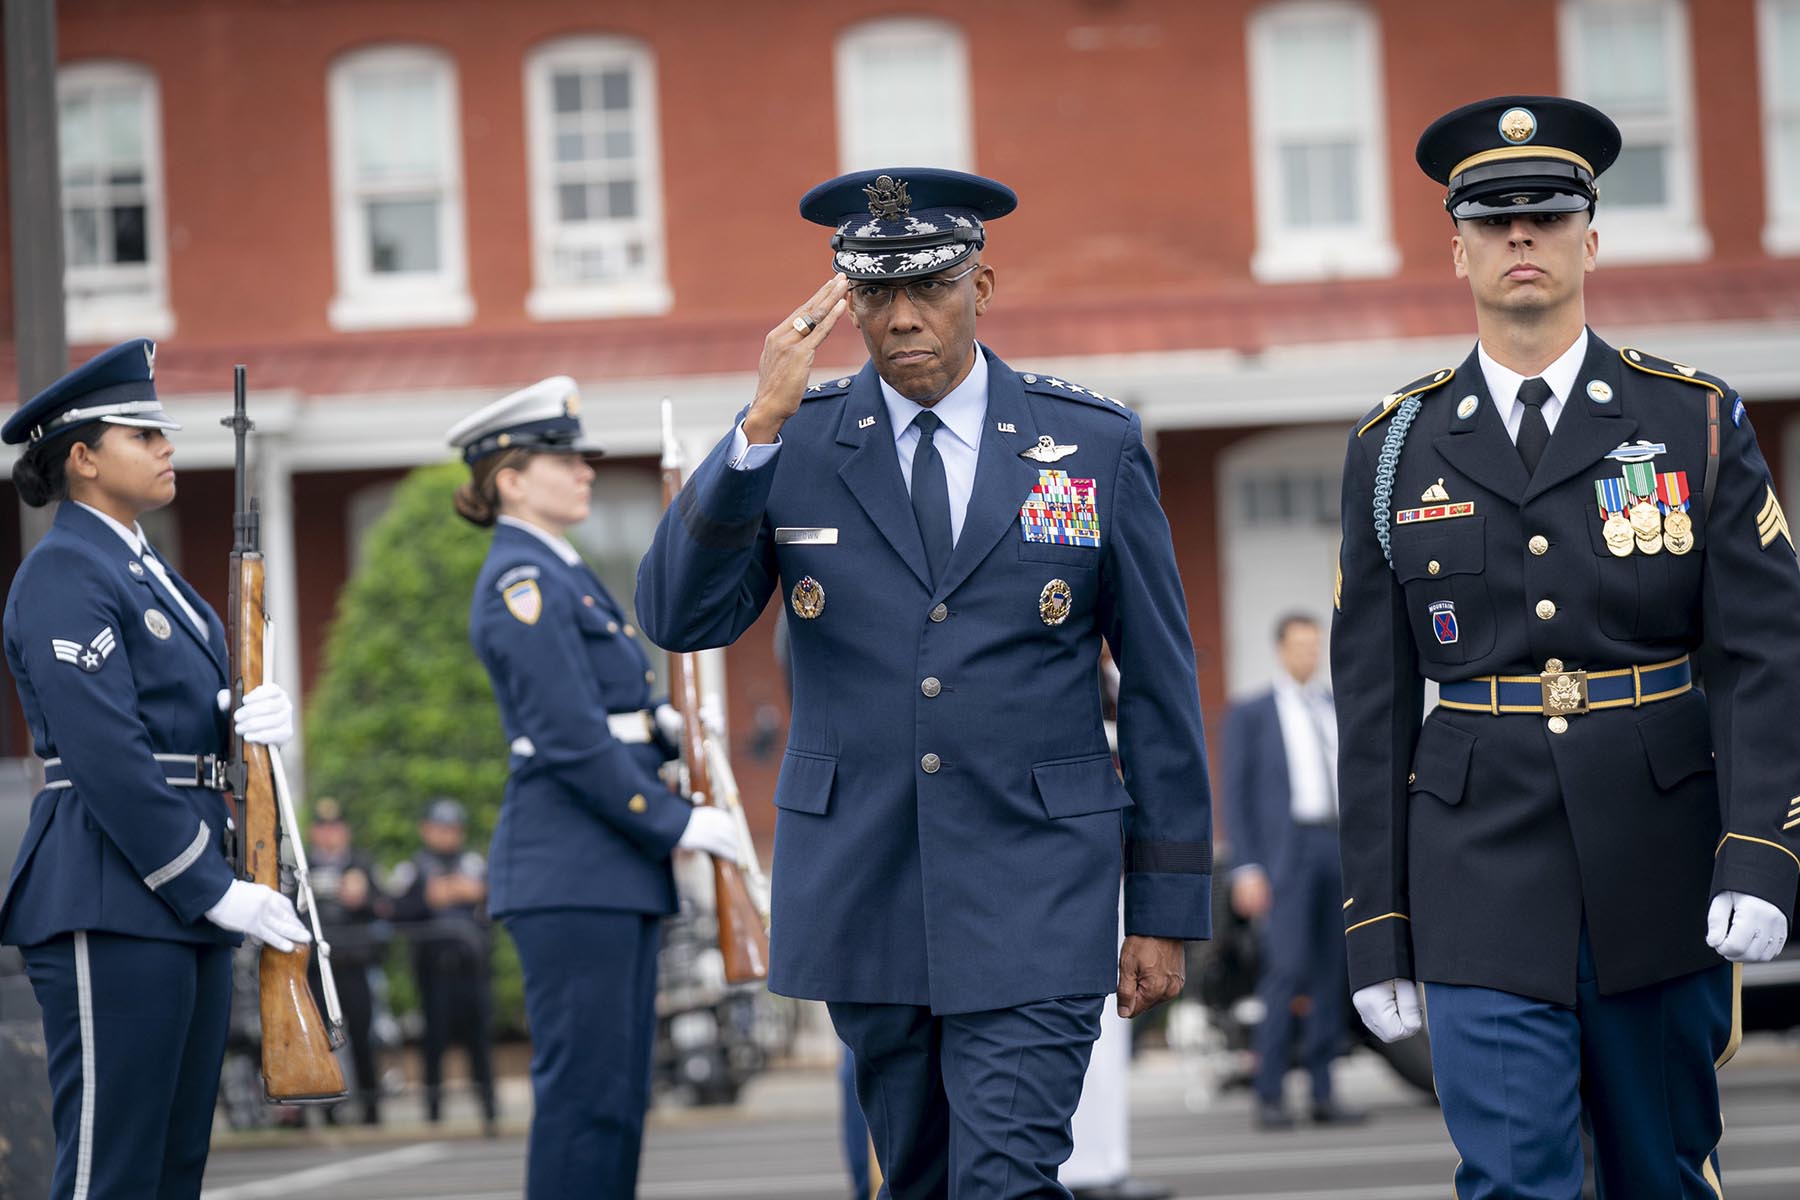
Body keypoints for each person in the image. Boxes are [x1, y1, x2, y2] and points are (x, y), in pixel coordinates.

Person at [636, 168, 1213, 1199]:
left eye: (930, 289)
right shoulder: (796, 441)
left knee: (1006, 1179)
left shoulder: (1089, 444)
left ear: (982, 284)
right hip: (867, 888)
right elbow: (680, 617)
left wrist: (1164, 903)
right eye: (874, 296)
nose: (902, 319)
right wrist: (753, 435)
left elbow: (1163, 685)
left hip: (1038, 884)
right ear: (845, 301)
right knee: (919, 1181)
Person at [1336, 96, 1799, 1199]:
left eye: (1546, 216)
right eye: (1494, 222)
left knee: (1661, 1173)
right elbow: (1372, 706)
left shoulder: (1689, 418)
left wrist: (1763, 851)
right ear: (1457, 248)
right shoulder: (1395, 446)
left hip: (1659, 858)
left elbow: (1765, 655)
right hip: (1477, 870)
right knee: (1511, 1181)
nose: (1522, 240)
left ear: (1591, 237)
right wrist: (1374, 924)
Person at [0, 338, 308, 1199]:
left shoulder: (148, 572)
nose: (167, 446)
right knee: (114, 1172)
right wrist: (207, 885)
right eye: (143, 433)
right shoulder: (64, 571)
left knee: (173, 1170)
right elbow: (106, 753)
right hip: (114, 891)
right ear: (83, 457)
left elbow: (175, 710)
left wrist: (239, 714)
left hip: (176, 898)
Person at [446, 377, 743, 1197]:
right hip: (574, 869)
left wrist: (664, 728)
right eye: (563, 459)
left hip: (604, 870)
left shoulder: (559, 570)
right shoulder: (523, 582)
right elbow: (571, 739)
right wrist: (674, 820)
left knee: (615, 1099)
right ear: (508, 477)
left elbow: (611, 711)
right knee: (584, 1099)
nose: (584, 471)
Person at [1223, 613, 1361, 1130]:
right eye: (1299, 646)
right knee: (1286, 970)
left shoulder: (1332, 706)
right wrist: (1246, 867)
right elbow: (1235, 795)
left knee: (1334, 971)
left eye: (1314, 645)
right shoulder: (1253, 712)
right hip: (1287, 853)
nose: (1308, 654)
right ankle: (1270, 1092)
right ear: (1280, 650)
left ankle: (1324, 1091)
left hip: (1335, 845)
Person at [391, 798, 496, 1132]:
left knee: (479, 1040)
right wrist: (427, 898)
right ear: (426, 830)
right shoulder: (414, 868)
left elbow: (496, 905)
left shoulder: (474, 864)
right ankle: (433, 1111)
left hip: (472, 967)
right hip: (433, 967)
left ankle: (490, 1108)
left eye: (452, 829)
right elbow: (396, 912)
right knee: (433, 1041)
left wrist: (476, 893)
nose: (447, 835)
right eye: (440, 828)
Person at [303, 797, 389, 1126]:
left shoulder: (362, 864)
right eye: (323, 828)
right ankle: (328, 1107)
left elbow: (384, 906)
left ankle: (371, 1105)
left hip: (354, 961)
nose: (330, 834)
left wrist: (364, 895)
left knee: (364, 1033)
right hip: (319, 963)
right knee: (323, 1037)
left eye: (335, 827)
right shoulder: (303, 864)